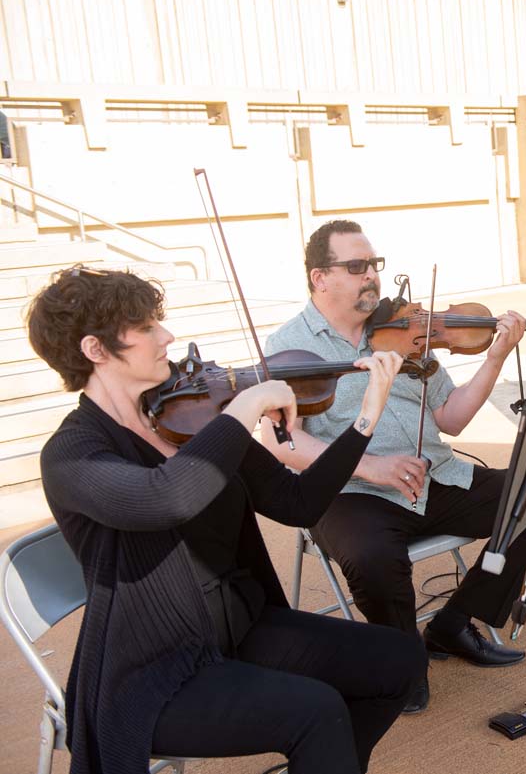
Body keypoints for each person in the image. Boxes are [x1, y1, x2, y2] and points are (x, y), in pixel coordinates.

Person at [28, 266, 424, 774]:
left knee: (400, 661)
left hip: (240, 627)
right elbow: (166, 499)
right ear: (95, 350)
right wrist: (248, 406)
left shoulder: (189, 417)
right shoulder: (72, 453)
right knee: (315, 711)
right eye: (147, 326)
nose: (167, 336)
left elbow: (295, 503)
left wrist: (365, 419)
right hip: (154, 669)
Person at [263, 220, 526, 705]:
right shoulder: (289, 347)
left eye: (374, 266)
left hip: (433, 476)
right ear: (319, 277)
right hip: (350, 494)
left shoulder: (407, 329)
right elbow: (281, 442)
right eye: (356, 267)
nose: (372, 277)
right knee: (371, 557)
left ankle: (453, 622)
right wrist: (368, 467)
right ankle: (402, 659)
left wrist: (496, 358)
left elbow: (453, 417)